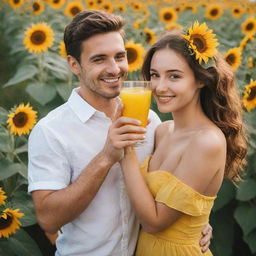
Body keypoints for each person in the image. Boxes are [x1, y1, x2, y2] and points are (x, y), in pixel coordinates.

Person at [28, 11, 212, 256]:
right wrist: (106, 157)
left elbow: (170, 191)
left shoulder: (149, 120)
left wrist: (192, 223)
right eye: (99, 59)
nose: (114, 69)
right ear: (74, 64)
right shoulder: (51, 131)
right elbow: (48, 219)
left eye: (120, 56)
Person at [117, 25, 248, 256]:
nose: (160, 86)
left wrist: (125, 150)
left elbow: (154, 222)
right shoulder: (162, 130)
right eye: (155, 75)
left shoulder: (207, 142)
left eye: (174, 76)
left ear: (200, 80)